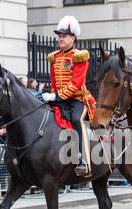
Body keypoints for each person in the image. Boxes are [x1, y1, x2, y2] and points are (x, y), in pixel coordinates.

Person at [43, 15, 96, 177]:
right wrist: (52, 94)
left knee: (77, 120)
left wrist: (57, 96)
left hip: (77, 99)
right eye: (59, 36)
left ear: (73, 38)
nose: (60, 39)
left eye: (64, 36)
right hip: (58, 98)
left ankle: (83, 161)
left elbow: (76, 84)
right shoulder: (55, 57)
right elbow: (53, 80)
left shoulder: (79, 56)